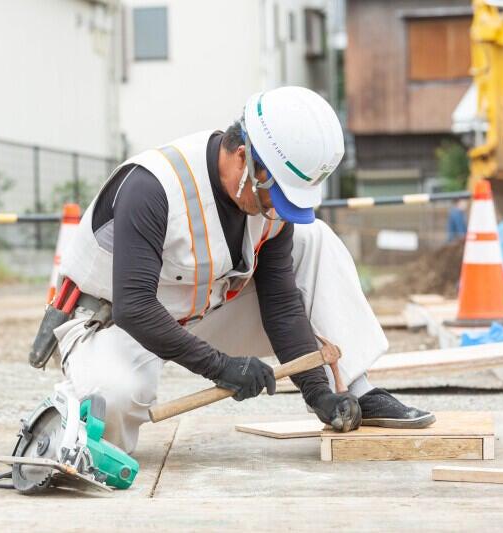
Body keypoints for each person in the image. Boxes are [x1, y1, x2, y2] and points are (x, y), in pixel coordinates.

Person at [55, 87, 434, 453]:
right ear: (242, 157)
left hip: (195, 314)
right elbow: (134, 306)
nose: (277, 208)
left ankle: (353, 387)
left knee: (312, 237)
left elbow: (281, 302)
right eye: (276, 194)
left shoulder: (264, 203)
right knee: (111, 412)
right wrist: (222, 367)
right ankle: (67, 406)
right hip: (112, 323)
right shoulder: (154, 187)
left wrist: (318, 393)